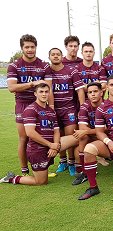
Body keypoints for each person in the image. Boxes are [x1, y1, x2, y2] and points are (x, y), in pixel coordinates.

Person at [0, 83, 78, 185]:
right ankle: (11, 178)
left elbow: (56, 131)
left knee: (79, 138)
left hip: (52, 146)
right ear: (35, 94)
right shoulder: (30, 110)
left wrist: (55, 146)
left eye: (46, 92)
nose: (44, 94)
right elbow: (30, 133)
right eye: (41, 92)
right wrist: (50, 145)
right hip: (37, 150)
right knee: (41, 181)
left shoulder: (51, 111)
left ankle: (80, 171)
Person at [7, 34, 51, 176]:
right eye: (27, 47)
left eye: (32, 47)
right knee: (24, 138)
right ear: (22, 48)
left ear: (36, 47)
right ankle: (24, 170)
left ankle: (41, 168)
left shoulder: (44, 65)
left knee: (41, 136)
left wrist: (51, 107)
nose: (30, 49)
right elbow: (12, 87)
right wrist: (32, 84)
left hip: (40, 105)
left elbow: (48, 88)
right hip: (23, 104)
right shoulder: (14, 66)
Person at [48, 48, 85, 176]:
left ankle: (71, 163)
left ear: (62, 56)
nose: (56, 56)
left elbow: (80, 90)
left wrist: (81, 108)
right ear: (49, 57)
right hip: (53, 110)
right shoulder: (47, 72)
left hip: (69, 108)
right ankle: (62, 161)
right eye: (53, 55)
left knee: (71, 137)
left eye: (58, 54)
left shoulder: (71, 71)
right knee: (57, 136)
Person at [72, 82, 104, 185]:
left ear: (101, 93)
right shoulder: (85, 106)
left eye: (95, 91)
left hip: (104, 138)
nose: (93, 94)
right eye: (90, 92)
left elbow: (108, 129)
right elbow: (82, 129)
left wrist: (87, 131)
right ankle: (84, 172)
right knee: (81, 137)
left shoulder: (107, 105)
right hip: (90, 136)